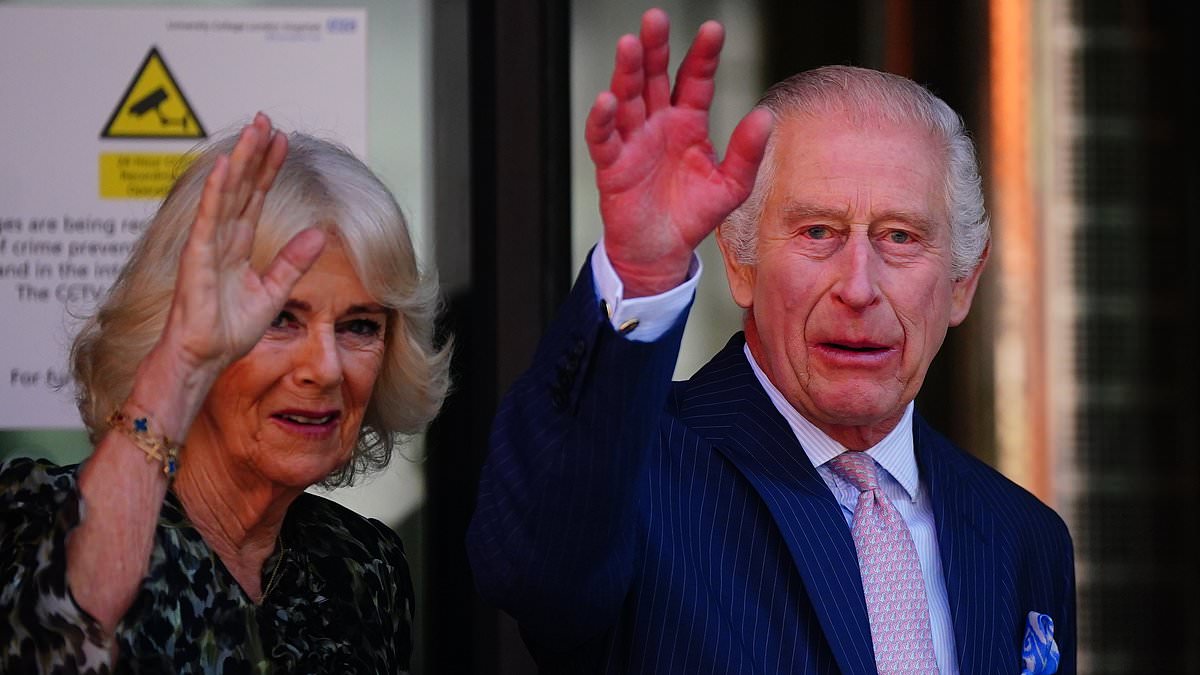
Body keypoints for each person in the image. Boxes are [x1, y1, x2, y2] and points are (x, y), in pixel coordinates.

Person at [468, 8, 1075, 675]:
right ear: (739, 260)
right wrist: (641, 272)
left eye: (901, 236)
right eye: (818, 232)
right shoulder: (638, 471)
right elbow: (531, 570)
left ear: (963, 282)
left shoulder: (1024, 537)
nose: (859, 286)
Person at [0, 114, 449, 673]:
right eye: (279, 318)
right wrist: (178, 365)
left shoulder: (363, 568)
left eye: (359, 326)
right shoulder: (38, 520)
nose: (325, 368)